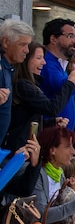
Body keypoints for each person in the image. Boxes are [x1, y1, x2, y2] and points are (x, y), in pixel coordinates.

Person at [6, 41, 75, 151]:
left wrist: (51, 122)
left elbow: (27, 121)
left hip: (28, 150)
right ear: (26, 60)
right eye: (39, 58)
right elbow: (51, 108)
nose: (44, 62)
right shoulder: (23, 86)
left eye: (43, 58)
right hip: (19, 151)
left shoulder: (31, 84)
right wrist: (70, 83)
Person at [0, 18, 34, 146]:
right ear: (6, 42)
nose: (27, 50)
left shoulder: (9, 69)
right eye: (22, 44)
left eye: (28, 45)